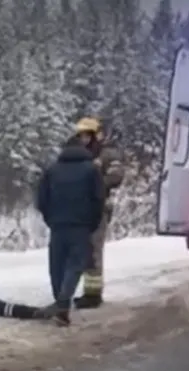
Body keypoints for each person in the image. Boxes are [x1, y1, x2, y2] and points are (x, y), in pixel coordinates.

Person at [36, 132, 105, 326]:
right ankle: (63, 304)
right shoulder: (92, 170)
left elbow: (41, 199)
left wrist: (50, 219)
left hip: (57, 225)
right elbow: (99, 199)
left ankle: (60, 301)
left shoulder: (52, 170)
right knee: (75, 265)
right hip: (81, 226)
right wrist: (92, 222)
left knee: (56, 265)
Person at [71, 117, 125, 309]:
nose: (83, 139)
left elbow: (117, 176)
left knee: (94, 250)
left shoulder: (107, 154)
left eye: (87, 135)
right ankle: (88, 291)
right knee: (84, 250)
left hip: (99, 209)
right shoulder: (80, 155)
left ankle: (93, 295)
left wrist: (97, 185)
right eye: (81, 135)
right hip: (81, 209)